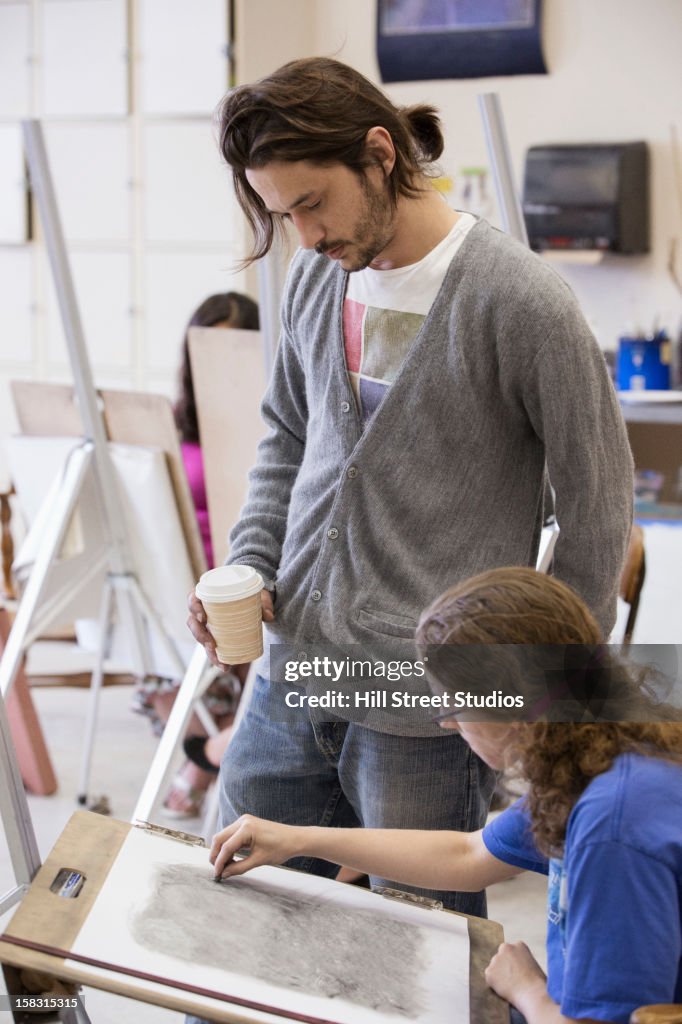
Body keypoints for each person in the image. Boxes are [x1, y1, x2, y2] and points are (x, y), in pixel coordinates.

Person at [187, 57, 633, 910]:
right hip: (295, 668)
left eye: (312, 203)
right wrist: (248, 565)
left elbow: (598, 510)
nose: (304, 236)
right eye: (282, 215)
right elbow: (288, 436)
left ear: (380, 154)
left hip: (425, 701)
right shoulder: (317, 277)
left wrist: (543, 692)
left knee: (418, 949)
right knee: (241, 916)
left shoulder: (521, 302)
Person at [209, 568, 682, 1024]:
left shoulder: (611, 825)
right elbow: (468, 855)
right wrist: (298, 839)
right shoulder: (604, 754)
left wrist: (526, 987)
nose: (450, 722)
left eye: (455, 703)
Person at [137, 290, 259, 818]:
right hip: (182, 574)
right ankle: (213, 750)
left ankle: (207, 757)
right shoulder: (171, 422)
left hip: (244, 573)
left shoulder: (267, 424)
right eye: (204, 349)